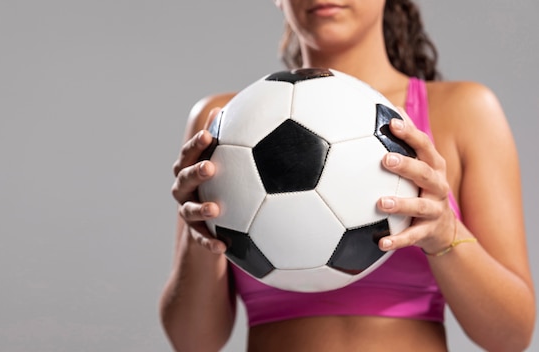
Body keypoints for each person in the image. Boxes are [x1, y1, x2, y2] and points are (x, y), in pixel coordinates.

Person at [160, 1, 535, 351]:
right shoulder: (221, 123)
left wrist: (445, 234)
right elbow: (194, 343)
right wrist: (201, 238)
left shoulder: (464, 111)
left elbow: (511, 335)